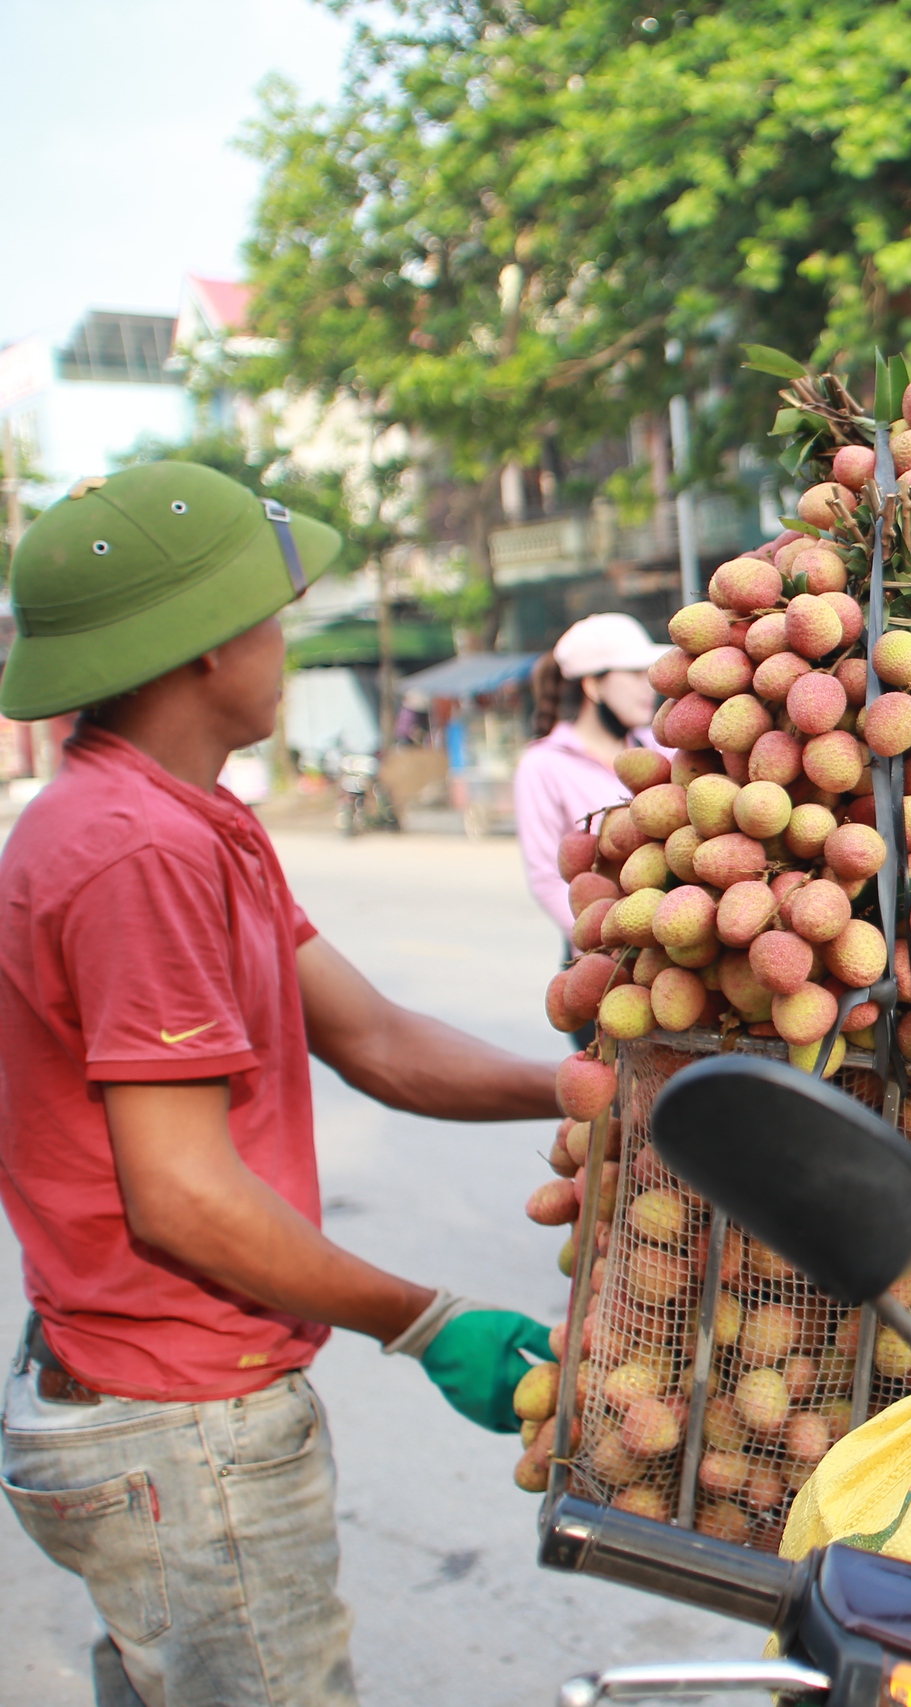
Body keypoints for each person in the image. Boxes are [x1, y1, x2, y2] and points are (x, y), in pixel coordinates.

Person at [0, 465, 570, 1706]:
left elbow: (373, 1038)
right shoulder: (130, 850)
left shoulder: (198, 821)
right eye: (270, 617)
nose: (282, 641)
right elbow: (181, 1197)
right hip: (177, 1432)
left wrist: (585, 1094)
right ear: (201, 649)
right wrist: (422, 1319)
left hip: (160, 1414)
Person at [513, 612, 665, 941]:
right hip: (606, 951)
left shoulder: (659, 748)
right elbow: (546, 878)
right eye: (635, 673)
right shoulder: (543, 764)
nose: (648, 686)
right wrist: (607, 939)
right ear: (593, 685)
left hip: (668, 932)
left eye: (649, 672)